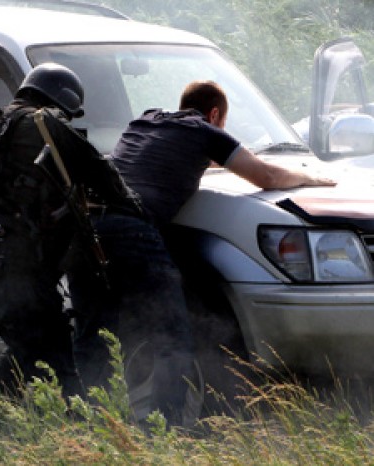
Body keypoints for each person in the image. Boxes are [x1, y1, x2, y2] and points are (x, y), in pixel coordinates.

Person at [67, 80, 336, 427]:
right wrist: (311, 178)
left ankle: (84, 424)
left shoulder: (145, 122)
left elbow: (158, 161)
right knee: (173, 336)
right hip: (133, 229)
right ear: (214, 115)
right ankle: (164, 428)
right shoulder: (204, 131)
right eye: (223, 122)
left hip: (86, 230)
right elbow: (266, 175)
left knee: (93, 334)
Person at [0, 63, 142, 413]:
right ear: (60, 102)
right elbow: (103, 175)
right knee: (59, 367)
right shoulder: (43, 124)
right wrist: (139, 213)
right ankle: (75, 441)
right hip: (15, 274)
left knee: (27, 348)